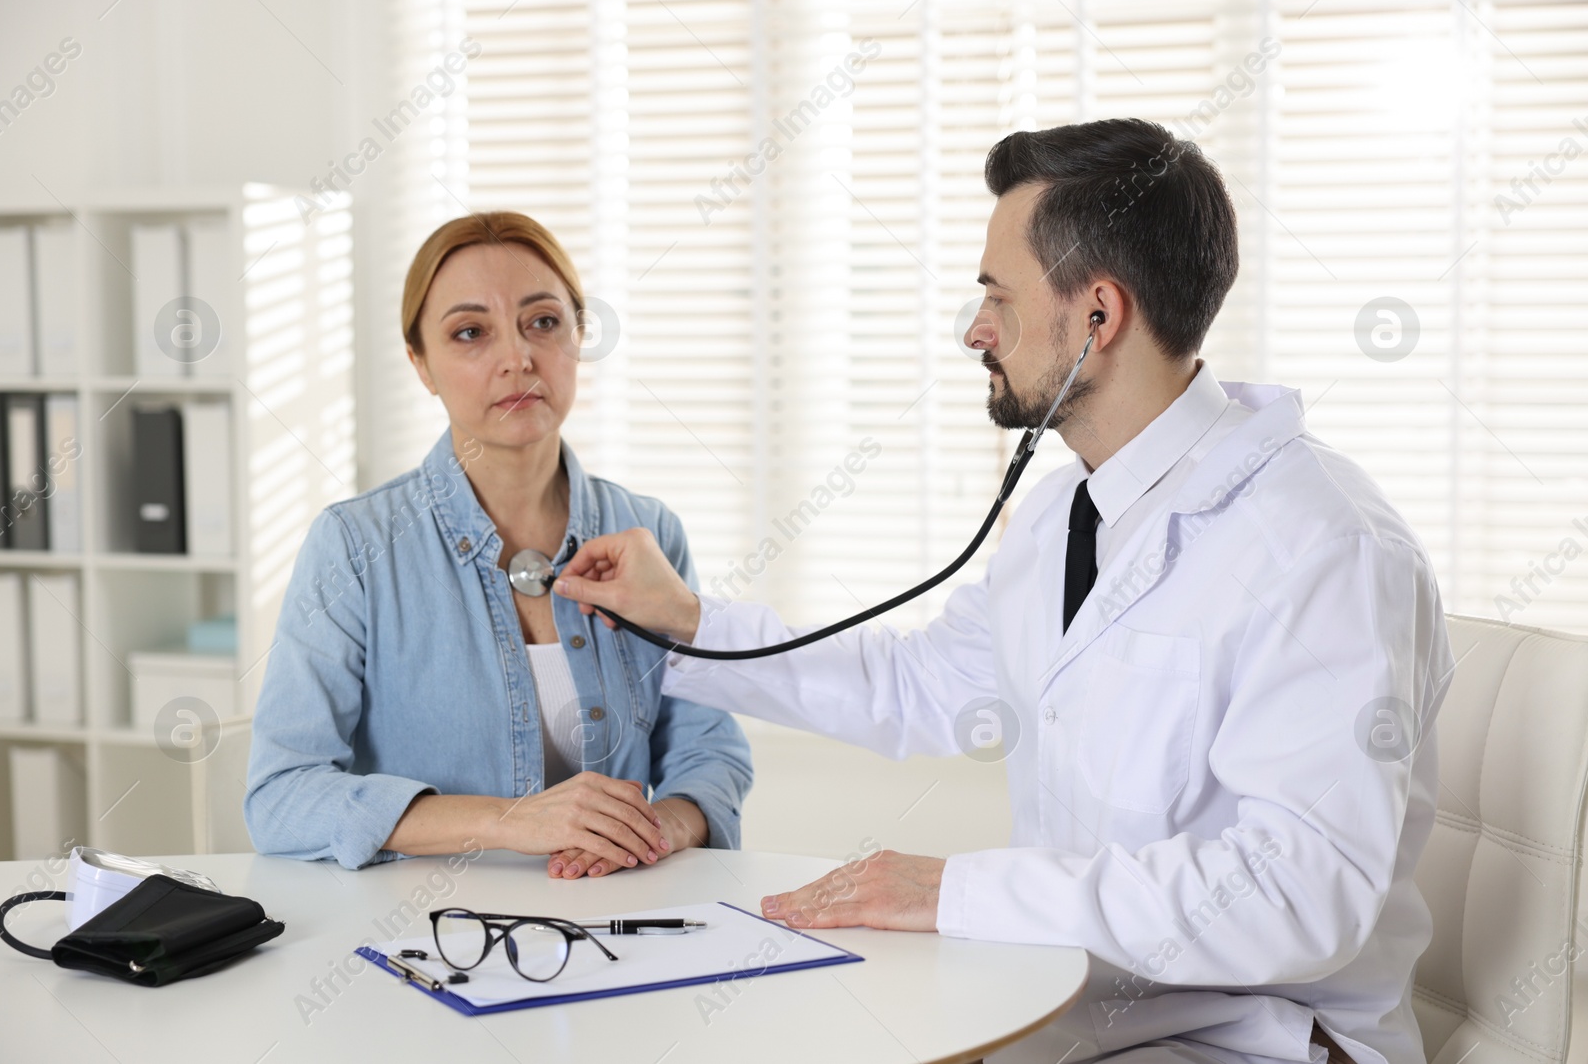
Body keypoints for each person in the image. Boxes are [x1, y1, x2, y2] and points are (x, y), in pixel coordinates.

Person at [551, 119, 1451, 1064]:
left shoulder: (1323, 544)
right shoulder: (1069, 511)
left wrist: (952, 892)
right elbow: (918, 687)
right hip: (1071, 1014)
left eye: (998, 297)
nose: (978, 330)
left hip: (1253, 1041)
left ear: (1098, 315)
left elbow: (1299, 894)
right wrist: (684, 621)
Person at [245, 211, 753, 876]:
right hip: (428, 937)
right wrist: (511, 821)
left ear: (578, 335)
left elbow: (708, 748)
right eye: (470, 333)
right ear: (421, 365)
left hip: (614, 917)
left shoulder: (649, 531)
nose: (517, 358)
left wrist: (656, 826)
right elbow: (281, 795)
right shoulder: (355, 545)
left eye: (543, 322)